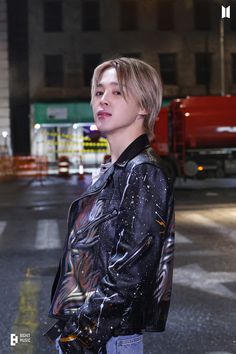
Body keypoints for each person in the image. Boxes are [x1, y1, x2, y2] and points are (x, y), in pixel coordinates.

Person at [44, 57, 175, 354]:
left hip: (106, 340)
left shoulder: (142, 172)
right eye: (99, 91)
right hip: (93, 334)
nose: (103, 99)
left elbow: (131, 273)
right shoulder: (115, 170)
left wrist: (83, 333)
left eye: (117, 92)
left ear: (144, 106)